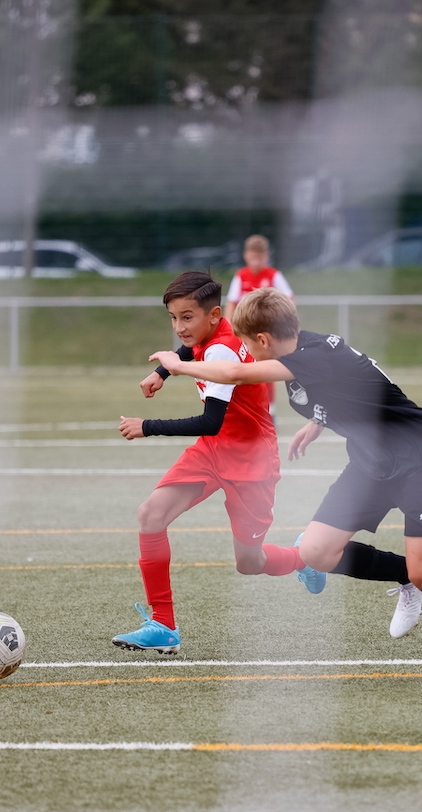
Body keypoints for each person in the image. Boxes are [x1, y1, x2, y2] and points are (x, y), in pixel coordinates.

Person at [152, 288, 422, 682]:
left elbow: (234, 374)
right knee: (316, 552)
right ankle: (405, 577)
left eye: (247, 344)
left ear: (262, 339)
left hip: (420, 459)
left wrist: (176, 366)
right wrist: (318, 421)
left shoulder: (311, 356)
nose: (246, 352)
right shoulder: (306, 350)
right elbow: (354, 385)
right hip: (372, 461)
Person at [113, 272, 308, 654]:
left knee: (249, 562)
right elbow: (192, 349)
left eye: (187, 317)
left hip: (250, 460)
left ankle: (305, 559)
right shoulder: (216, 334)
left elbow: (210, 421)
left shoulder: (221, 351)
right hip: (213, 451)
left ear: (215, 315)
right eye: (173, 317)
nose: (179, 327)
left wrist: (146, 426)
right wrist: (162, 371)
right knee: (151, 515)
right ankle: (163, 624)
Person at [225, 235, 294, 416]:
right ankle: (244, 408)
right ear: (246, 256)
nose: (256, 260)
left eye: (260, 257)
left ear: (266, 257)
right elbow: (231, 303)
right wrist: (228, 328)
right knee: (242, 368)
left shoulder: (273, 275)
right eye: (252, 256)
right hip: (245, 335)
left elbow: (289, 300)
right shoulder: (241, 276)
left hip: (265, 335)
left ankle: (269, 411)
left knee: (266, 369)